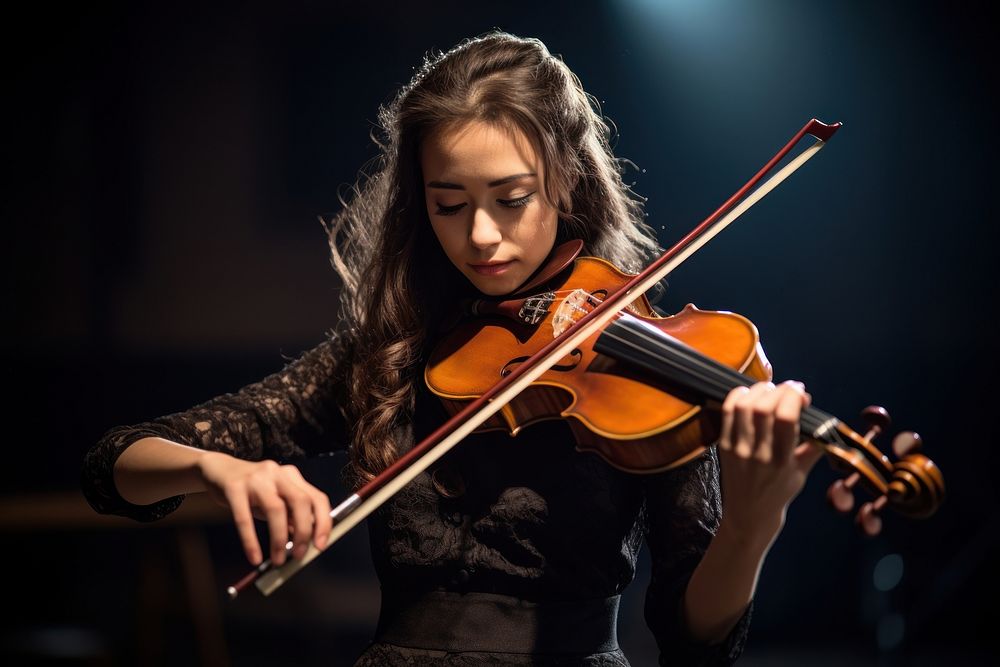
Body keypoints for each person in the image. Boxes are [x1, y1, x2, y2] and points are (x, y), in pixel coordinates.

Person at [82, 31, 824, 666]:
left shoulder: (648, 370)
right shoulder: (394, 356)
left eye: (511, 200)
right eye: (449, 204)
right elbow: (117, 465)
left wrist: (753, 524)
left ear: (565, 180)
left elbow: (695, 646)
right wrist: (217, 469)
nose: (479, 236)